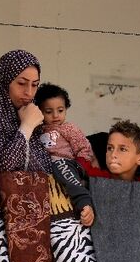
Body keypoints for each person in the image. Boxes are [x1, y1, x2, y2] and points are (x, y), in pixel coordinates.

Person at [33, 83, 98, 227]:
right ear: (39, 111)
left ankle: (84, 202)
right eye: (49, 111)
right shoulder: (37, 129)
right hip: (48, 170)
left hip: (67, 164)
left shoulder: (69, 128)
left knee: (59, 163)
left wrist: (82, 165)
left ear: (66, 109)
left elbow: (84, 148)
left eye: (60, 110)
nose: (55, 116)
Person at [0, 50, 50, 172]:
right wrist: (27, 127)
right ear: (4, 82)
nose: (29, 93)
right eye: (21, 83)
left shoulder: (34, 113)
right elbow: (4, 166)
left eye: (34, 85)